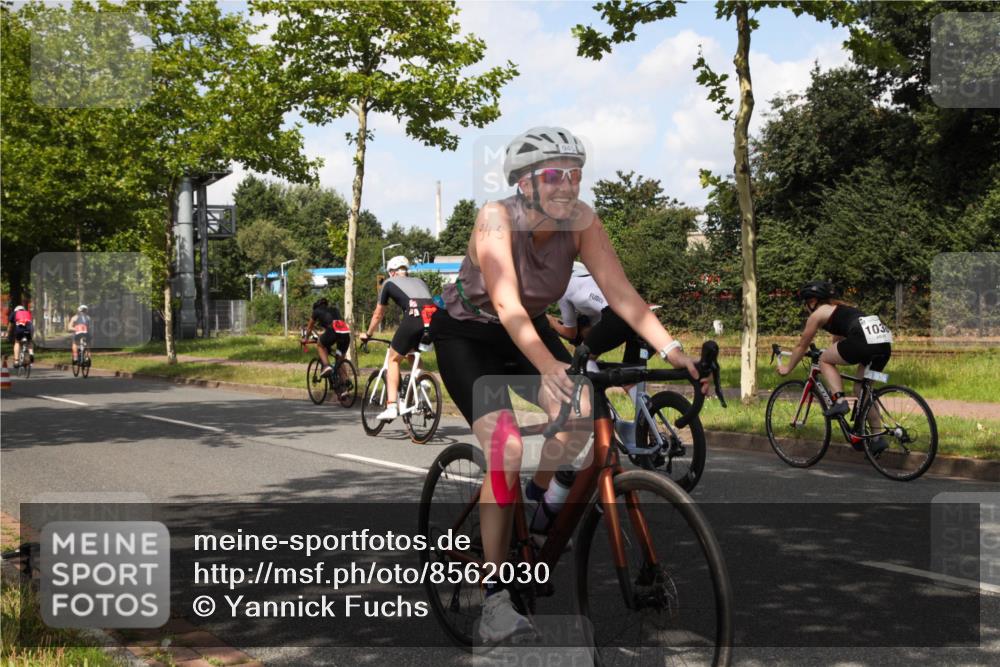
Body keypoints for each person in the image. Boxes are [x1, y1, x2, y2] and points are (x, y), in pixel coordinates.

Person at [429, 126, 705, 642]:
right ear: (525, 182)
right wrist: (550, 367)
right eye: (554, 175)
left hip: (523, 332)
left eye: (574, 174)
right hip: (467, 334)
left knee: (581, 415)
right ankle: (493, 601)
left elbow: (622, 295)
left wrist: (674, 351)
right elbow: (507, 303)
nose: (567, 186)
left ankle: (537, 509)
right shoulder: (495, 219)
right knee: (506, 448)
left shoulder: (582, 223)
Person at [777, 280, 892, 455]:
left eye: (806, 302)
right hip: (883, 344)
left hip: (863, 341)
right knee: (862, 388)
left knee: (824, 360)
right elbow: (838, 340)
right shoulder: (842, 309)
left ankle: (839, 401)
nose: (806, 307)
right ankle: (876, 438)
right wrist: (833, 353)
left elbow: (802, 345)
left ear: (813, 301)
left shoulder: (818, 314)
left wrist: (788, 368)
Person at [359, 256, 433, 422]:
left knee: (393, 360)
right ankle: (422, 381)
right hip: (433, 320)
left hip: (414, 318)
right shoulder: (420, 281)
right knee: (411, 353)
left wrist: (368, 334)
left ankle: (391, 406)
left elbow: (378, 314)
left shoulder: (388, 283)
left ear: (391, 272)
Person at [303, 297, 351, 389]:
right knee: (339, 361)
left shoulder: (316, 311)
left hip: (333, 332)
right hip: (345, 334)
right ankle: (344, 386)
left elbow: (309, 328)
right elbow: (333, 325)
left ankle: (326, 366)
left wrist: (305, 339)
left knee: (320, 345)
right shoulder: (334, 310)